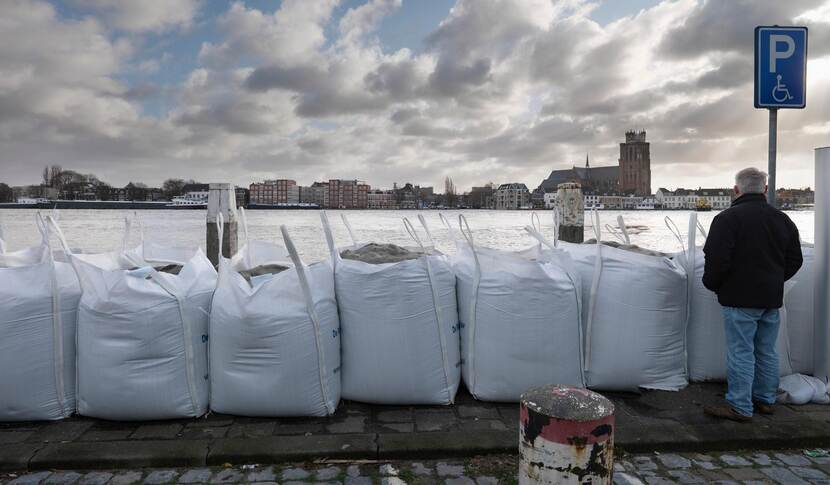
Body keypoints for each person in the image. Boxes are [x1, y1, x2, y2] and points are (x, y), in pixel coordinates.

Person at [701, 167, 803, 423]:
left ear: (736, 190)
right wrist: (774, 280)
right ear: (766, 190)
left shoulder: (726, 219)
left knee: (741, 351)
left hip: (739, 297)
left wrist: (714, 285)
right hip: (770, 298)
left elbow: (716, 260)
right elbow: (795, 260)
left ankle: (739, 406)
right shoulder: (783, 220)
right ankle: (766, 400)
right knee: (767, 350)